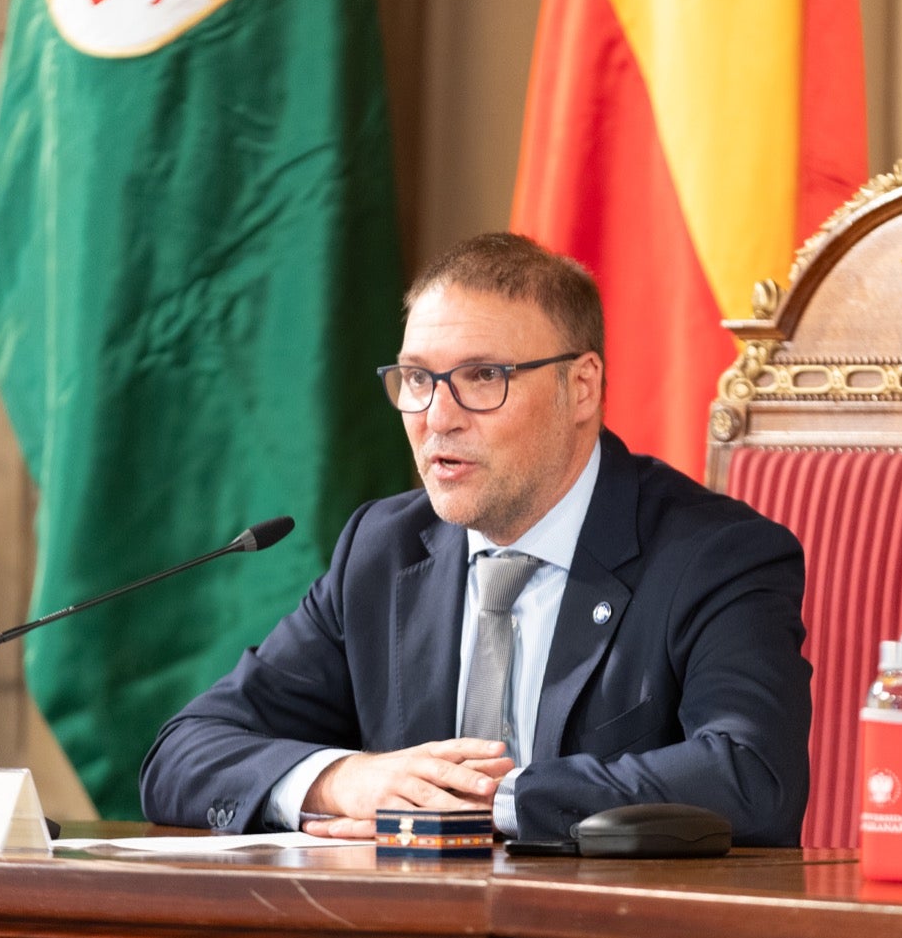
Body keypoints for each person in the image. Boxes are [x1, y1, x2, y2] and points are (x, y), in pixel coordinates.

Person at [139, 232, 811, 845]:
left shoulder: (713, 556)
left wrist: (485, 801)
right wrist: (343, 781)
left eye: (483, 377)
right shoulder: (384, 549)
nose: (438, 417)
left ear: (580, 388)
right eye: (418, 379)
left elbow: (751, 777)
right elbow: (184, 752)